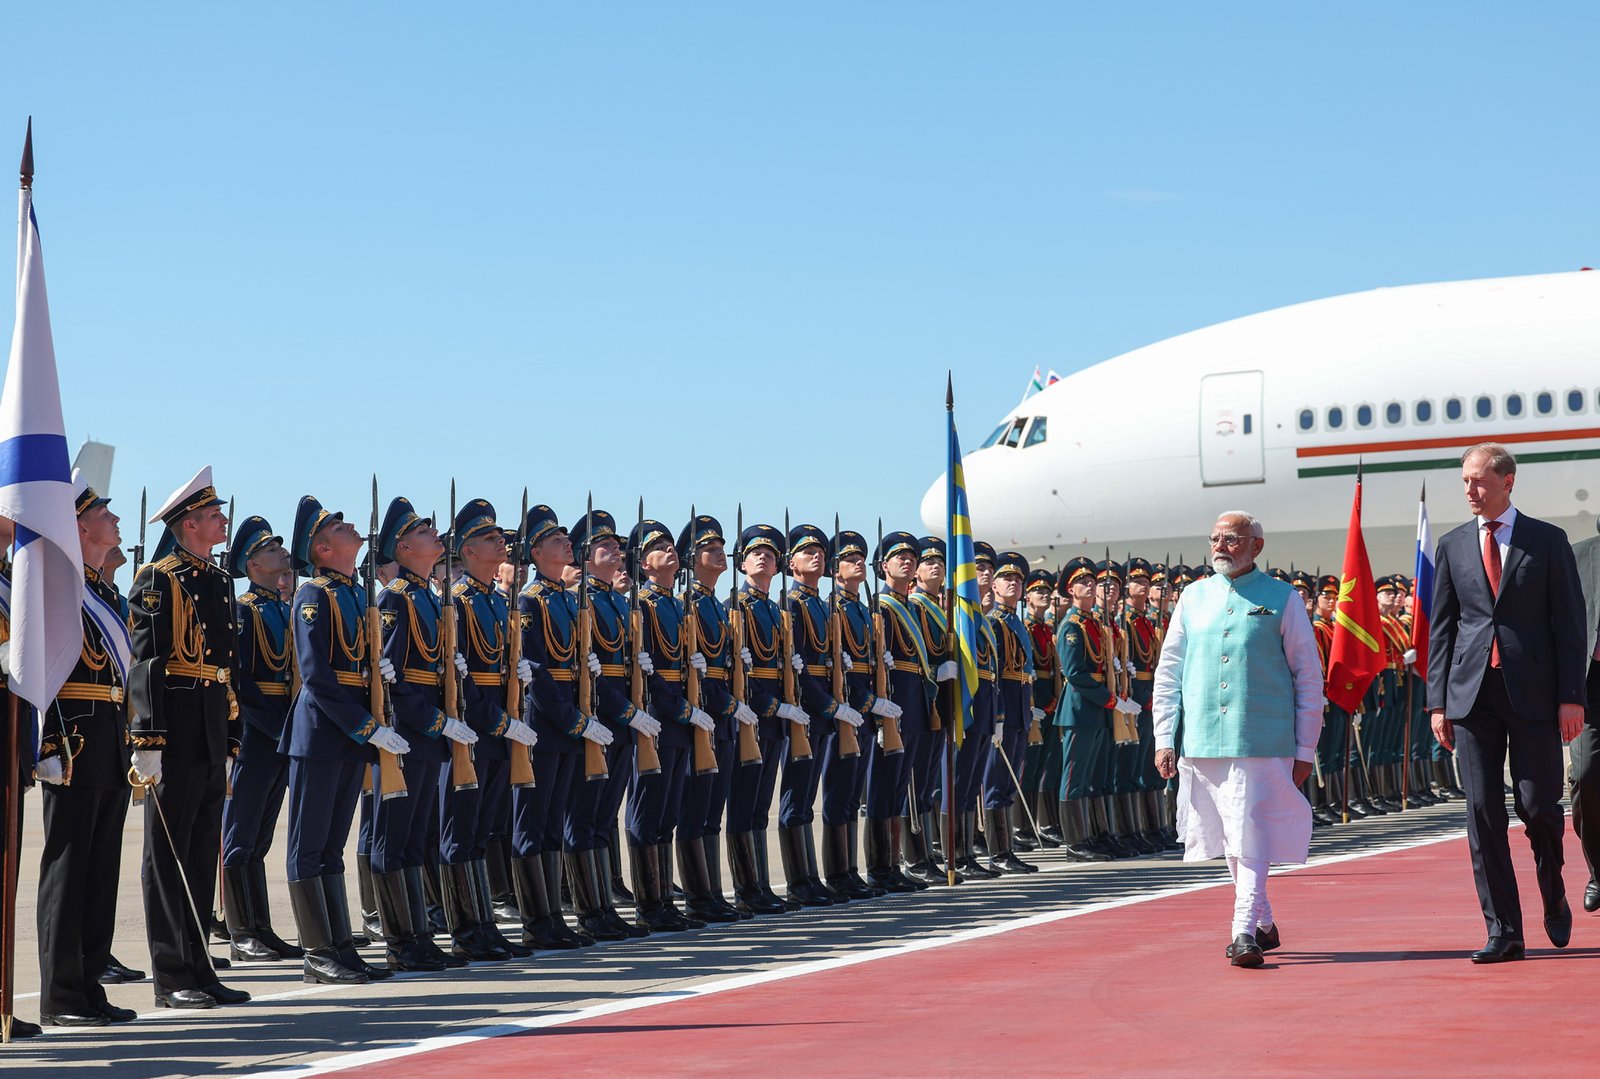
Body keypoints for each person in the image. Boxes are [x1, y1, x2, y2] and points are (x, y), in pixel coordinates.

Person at [1427, 443, 1587, 963]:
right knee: (1481, 813)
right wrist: (1437, 703)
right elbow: (1442, 629)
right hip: (1472, 697)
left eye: (1479, 480)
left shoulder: (1547, 540)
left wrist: (1571, 697)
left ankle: (1553, 887)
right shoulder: (1452, 545)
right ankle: (1504, 930)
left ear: (1507, 481)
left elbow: (1570, 624)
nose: (1470, 490)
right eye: (1465, 482)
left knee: (1539, 808)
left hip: (1535, 695)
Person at [1153, 511, 1323, 968]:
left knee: (1248, 830)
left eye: (1231, 539)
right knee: (1232, 834)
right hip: (1203, 738)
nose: (1220, 546)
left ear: (1255, 546)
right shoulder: (1193, 597)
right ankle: (1264, 923)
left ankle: (1243, 931)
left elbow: (1308, 676)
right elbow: (1169, 671)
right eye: (1215, 538)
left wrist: (1305, 747)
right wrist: (1164, 736)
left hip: (1262, 738)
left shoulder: (1283, 598)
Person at [128, 467, 252, 1009]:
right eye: (214, 515)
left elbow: (227, 668)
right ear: (190, 524)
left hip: (208, 728)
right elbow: (147, 662)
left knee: (201, 854)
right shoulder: (159, 578)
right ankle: (171, 974)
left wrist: (230, 738)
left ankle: (200, 967)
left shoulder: (219, 581)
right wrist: (148, 739)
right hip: (174, 732)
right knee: (168, 855)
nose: (223, 521)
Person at [281, 495, 407, 985]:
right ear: (323, 548)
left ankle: (340, 946)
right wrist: (365, 727)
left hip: (350, 734)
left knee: (332, 846)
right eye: (339, 526)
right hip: (321, 733)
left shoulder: (356, 594)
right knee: (308, 845)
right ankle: (317, 953)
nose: (352, 526)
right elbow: (316, 675)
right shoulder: (313, 595)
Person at [34, 475, 135, 1026]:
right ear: (79, 526)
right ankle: (62, 995)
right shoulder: (58, 586)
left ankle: (90, 984)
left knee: (101, 871)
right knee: (69, 870)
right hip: (73, 741)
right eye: (104, 514)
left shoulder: (107, 593)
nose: (115, 521)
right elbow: (41, 672)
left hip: (110, 739)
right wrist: (49, 742)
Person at [220, 515, 303, 964]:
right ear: (252, 565)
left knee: (260, 838)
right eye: (271, 549)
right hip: (257, 734)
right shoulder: (243, 610)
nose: (282, 552)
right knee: (239, 835)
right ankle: (240, 932)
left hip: (283, 731)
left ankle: (261, 928)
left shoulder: (284, 608)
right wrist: (278, 727)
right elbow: (242, 681)